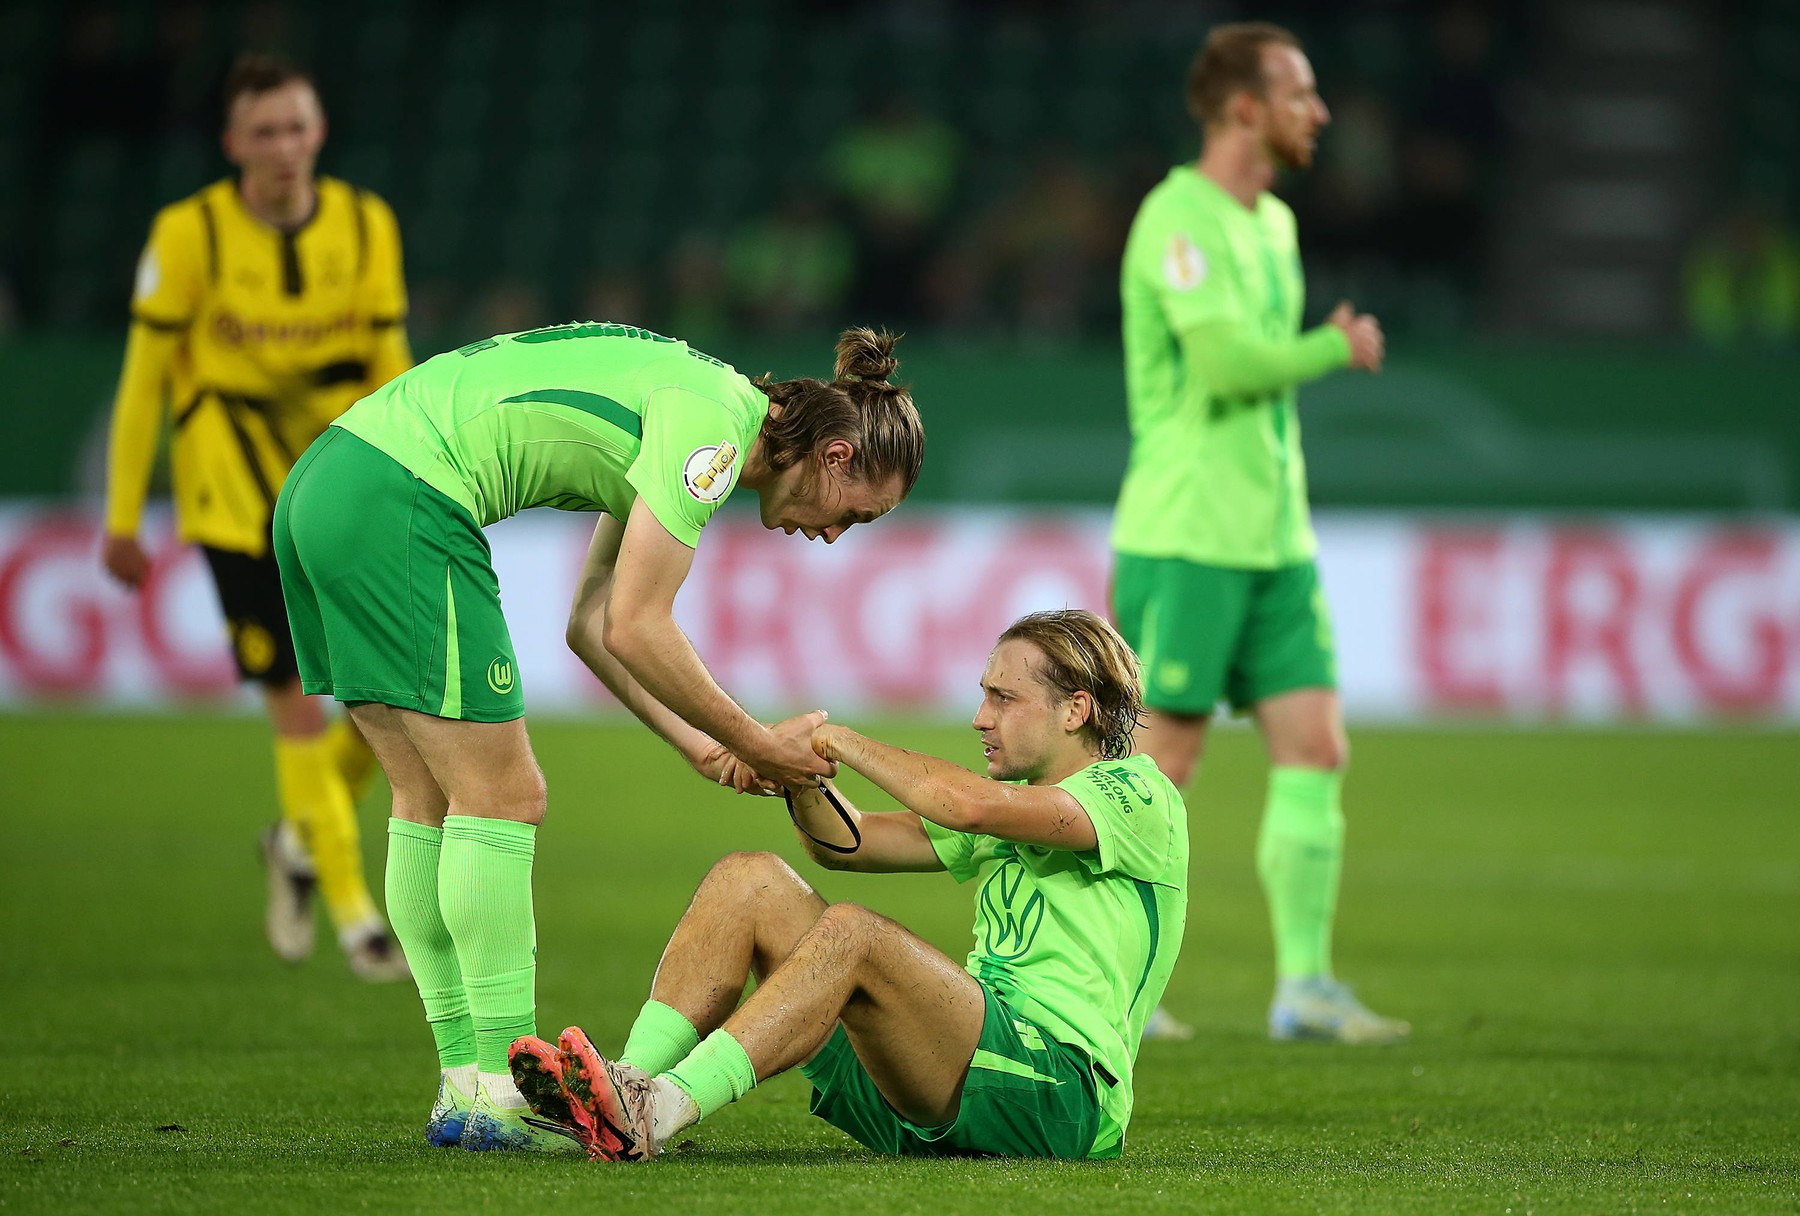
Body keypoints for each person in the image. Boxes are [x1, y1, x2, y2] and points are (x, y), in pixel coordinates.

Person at [272, 320, 924, 1153]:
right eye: (854, 516)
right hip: (404, 496)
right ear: (834, 457)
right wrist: (761, 743)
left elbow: (590, 623)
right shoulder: (716, 440)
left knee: (426, 798)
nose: (834, 536)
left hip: (327, 480)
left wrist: (700, 745)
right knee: (505, 797)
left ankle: (465, 1091)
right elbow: (638, 626)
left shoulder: (705, 398)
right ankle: (504, 1095)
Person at [507, 608, 1187, 1163]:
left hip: (1059, 1092)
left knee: (857, 935)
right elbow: (851, 843)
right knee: (751, 880)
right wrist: (798, 774)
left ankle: (659, 1112)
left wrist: (837, 741)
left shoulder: (1135, 792)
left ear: (1075, 710)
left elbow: (967, 806)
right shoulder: (1015, 799)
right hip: (954, 1069)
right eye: (984, 694)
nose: (981, 716)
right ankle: (622, 1088)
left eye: (1003, 697)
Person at [1109, 23, 1407, 1044]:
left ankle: (1306, 989)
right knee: (1158, 766)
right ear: (1244, 107)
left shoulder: (1273, 223)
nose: (1318, 113)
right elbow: (1229, 367)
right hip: (1188, 530)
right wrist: (1333, 343)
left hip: (1277, 537)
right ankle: (1111, 982)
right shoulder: (1174, 220)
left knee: (1318, 745)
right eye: (1300, 94)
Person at [101, 52, 412, 981]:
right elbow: (145, 381)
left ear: (320, 133)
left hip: (337, 488)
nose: (284, 147)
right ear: (234, 143)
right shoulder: (188, 233)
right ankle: (357, 916)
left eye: (298, 127)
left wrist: (420, 484)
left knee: (381, 697)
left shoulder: (365, 226)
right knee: (292, 703)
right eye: (264, 131)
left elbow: (390, 367)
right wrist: (123, 516)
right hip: (231, 494)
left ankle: (295, 840)